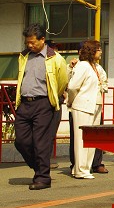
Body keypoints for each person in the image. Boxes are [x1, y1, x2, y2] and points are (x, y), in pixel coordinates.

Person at [14, 23, 68, 190]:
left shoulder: (55, 58)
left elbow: (62, 81)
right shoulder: (23, 56)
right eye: (27, 43)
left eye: (33, 42)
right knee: (21, 141)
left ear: (42, 39)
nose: (29, 45)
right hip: (24, 103)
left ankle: (43, 178)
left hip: (44, 103)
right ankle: (39, 167)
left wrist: (53, 99)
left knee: (41, 142)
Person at [66, 40, 104, 179]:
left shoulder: (94, 66)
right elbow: (72, 86)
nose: (101, 51)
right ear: (91, 51)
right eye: (98, 49)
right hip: (82, 106)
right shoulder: (83, 66)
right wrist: (70, 101)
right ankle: (80, 169)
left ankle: (86, 168)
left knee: (91, 139)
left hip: (94, 105)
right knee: (81, 139)